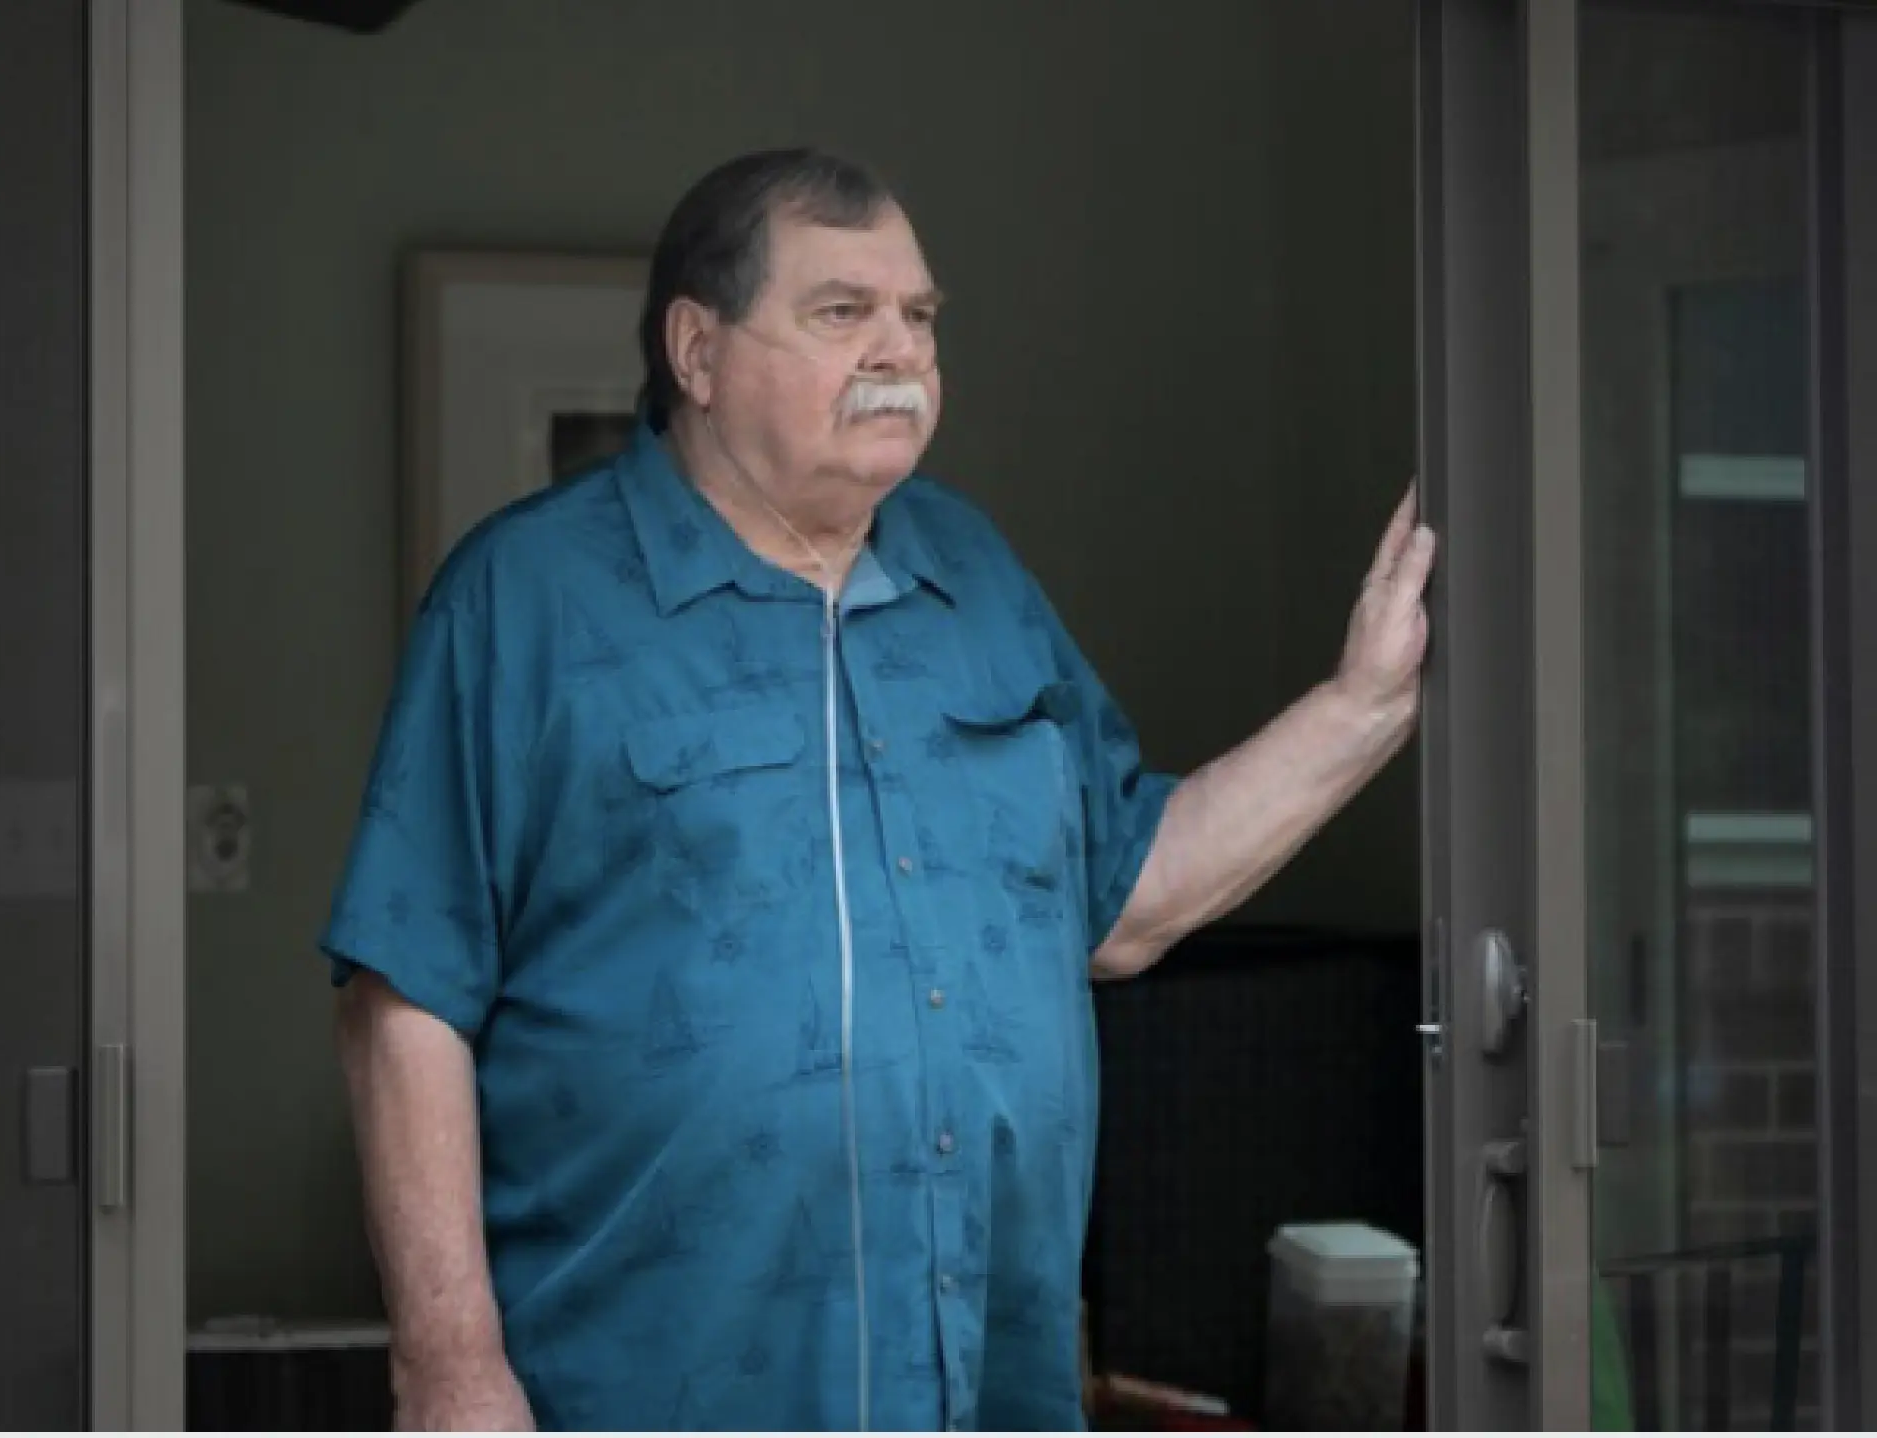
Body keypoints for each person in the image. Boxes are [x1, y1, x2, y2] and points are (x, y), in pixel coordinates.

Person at [323, 148, 1433, 1432]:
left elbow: (1123, 896)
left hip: (983, 1387)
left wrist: (1362, 705)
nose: (898, 349)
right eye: (842, 311)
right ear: (696, 351)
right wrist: (448, 1366)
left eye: (918, 315)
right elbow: (406, 989)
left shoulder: (977, 578)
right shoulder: (526, 601)